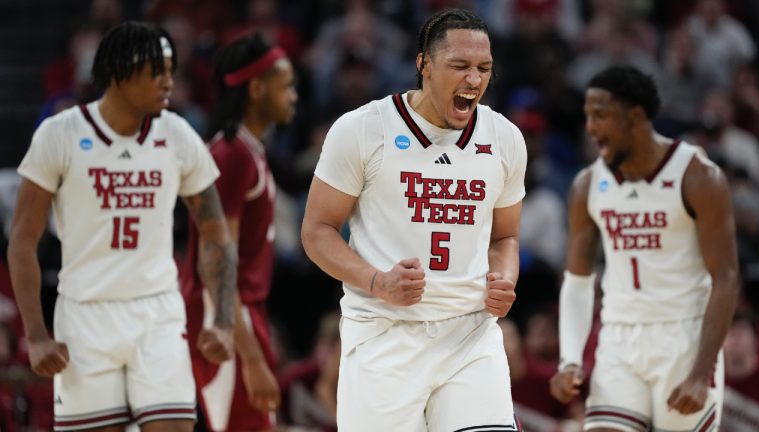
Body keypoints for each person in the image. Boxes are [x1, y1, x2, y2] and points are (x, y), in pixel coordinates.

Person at [301, 8, 527, 432]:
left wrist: (504, 277)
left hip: (470, 335)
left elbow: (506, 236)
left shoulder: (504, 138)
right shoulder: (363, 130)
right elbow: (316, 232)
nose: (474, 80)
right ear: (423, 64)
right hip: (384, 335)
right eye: (459, 66)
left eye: (484, 68)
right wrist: (376, 281)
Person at [7, 22, 237, 432]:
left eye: (172, 70)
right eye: (158, 71)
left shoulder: (178, 134)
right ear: (120, 72)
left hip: (158, 314)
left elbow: (217, 234)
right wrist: (37, 335)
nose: (170, 81)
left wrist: (221, 320)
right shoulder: (59, 134)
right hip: (84, 316)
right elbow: (23, 240)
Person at [549, 65, 740, 431]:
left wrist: (702, 372)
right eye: (587, 116)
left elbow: (727, 278)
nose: (590, 128)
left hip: (685, 336)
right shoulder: (587, 185)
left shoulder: (698, 175)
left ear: (635, 116)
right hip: (619, 337)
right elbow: (577, 280)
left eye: (600, 116)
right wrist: (570, 360)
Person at [180, 33, 297, 432]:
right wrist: (250, 357)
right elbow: (215, 261)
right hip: (224, 317)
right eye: (286, 86)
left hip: (242, 314)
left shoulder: (249, 151)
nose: (294, 95)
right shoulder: (230, 154)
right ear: (257, 88)